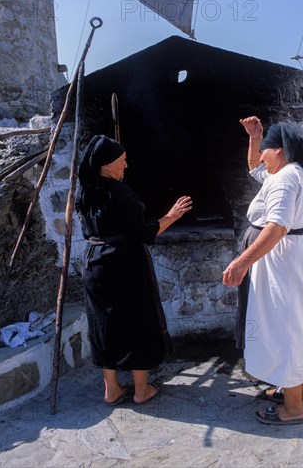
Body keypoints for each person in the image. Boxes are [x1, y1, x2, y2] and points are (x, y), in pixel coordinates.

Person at [223, 117, 303, 425]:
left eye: (267, 152)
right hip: (297, 258)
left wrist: (242, 261)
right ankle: (300, 393)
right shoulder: (293, 172)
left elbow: (278, 226)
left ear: (279, 150)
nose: (262, 161)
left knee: (285, 328)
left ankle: (293, 409)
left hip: (283, 262)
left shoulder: (284, 178)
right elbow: (255, 168)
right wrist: (255, 137)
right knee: (297, 325)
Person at [76, 134, 192, 406]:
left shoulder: (85, 191)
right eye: (122, 160)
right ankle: (141, 389)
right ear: (107, 164)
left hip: (94, 263)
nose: (126, 165)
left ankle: (112, 390)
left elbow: (86, 232)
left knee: (104, 324)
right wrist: (173, 215)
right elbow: (146, 232)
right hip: (124, 263)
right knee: (137, 321)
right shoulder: (120, 192)